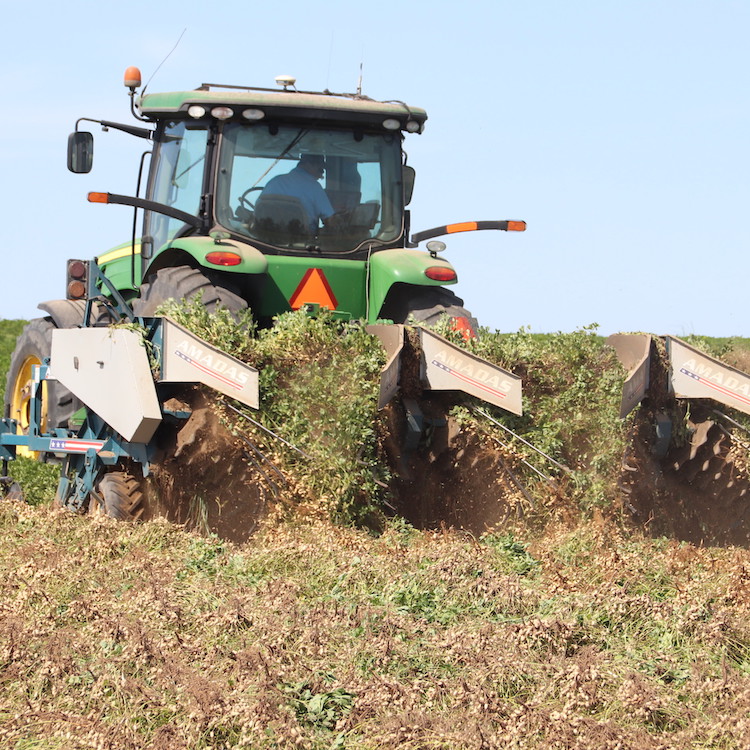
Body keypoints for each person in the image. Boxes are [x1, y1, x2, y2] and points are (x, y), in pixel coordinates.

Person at [260, 154, 335, 232]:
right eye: (320, 169)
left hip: (267, 237)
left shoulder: (274, 181)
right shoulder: (314, 187)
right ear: (308, 165)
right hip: (302, 239)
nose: (321, 175)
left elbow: (259, 211)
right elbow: (330, 220)